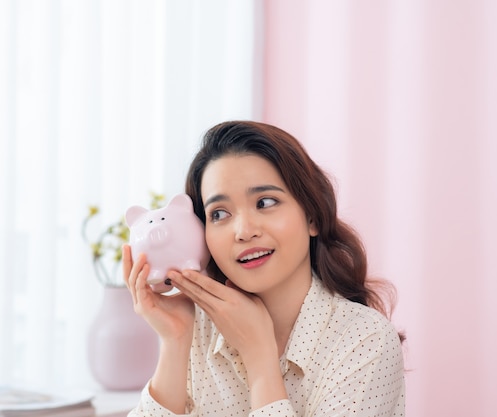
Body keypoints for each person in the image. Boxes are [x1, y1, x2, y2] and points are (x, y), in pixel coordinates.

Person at [123, 120, 405, 416]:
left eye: (266, 202)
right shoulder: (199, 330)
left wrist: (260, 361)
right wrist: (175, 340)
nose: (244, 231)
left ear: (312, 217)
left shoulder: (365, 340)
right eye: (219, 213)